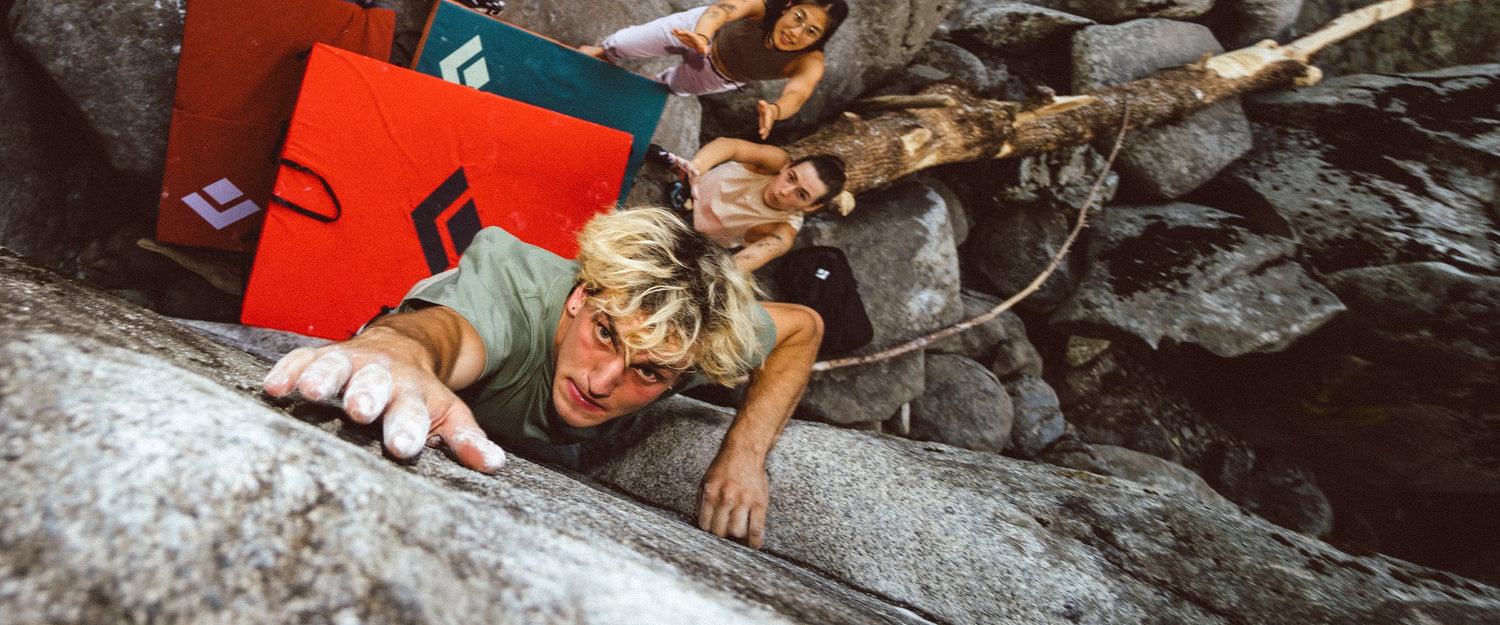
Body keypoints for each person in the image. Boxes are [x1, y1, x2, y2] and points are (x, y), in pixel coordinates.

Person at [262, 207, 823, 549]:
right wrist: (395, 354)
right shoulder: (512, 293)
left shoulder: (692, 340)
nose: (604, 382)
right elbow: (447, 334)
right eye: (606, 334)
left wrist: (745, 452)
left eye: (647, 372)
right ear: (582, 294)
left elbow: (804, 328)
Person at [580, 0, 850, 139]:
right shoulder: (764, 6)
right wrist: (701, 36)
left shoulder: (810, 61)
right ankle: (605, 53)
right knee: (625, 42)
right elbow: (721, 11)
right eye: (798, 18)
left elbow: (798, 93)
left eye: (810, 31)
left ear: (819, 40)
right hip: (700, 31)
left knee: (667, 88)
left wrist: (775, 110)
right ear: (788, 7)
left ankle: (633, 93)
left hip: (718, 74)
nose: (795, 32)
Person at [659, 137, 848, 272]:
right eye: (791, 178)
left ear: (811, 206)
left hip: (695, 232)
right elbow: (730, 145)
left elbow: (768, 249)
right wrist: (697, 167)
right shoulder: (775, 160)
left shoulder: (784, 227)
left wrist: (721, 276)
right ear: (786, 167)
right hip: (694, 186)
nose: (784, 191)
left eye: (801, 194)